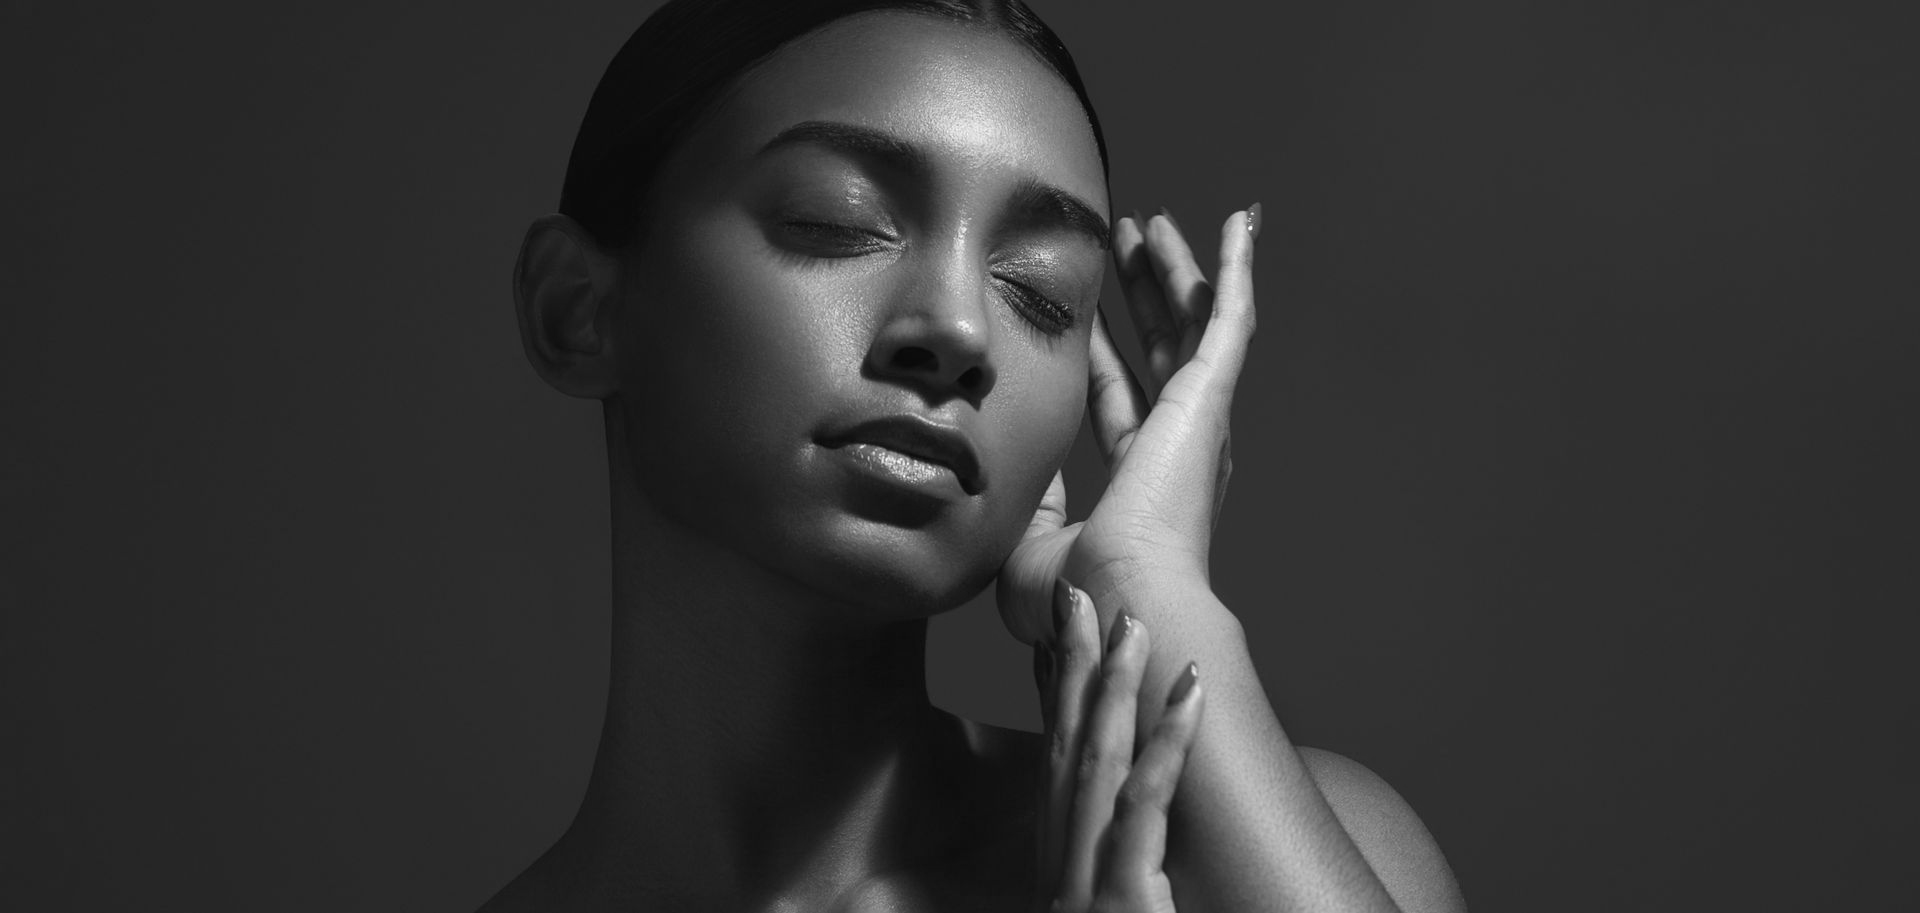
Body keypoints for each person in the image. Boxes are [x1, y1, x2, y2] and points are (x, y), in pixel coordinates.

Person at [486, 0, 1464, 910]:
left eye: (1040, 293)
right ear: (580, 311)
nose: (958, 329)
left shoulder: (1281, 851)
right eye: (839, 224)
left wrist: (1143, 587)